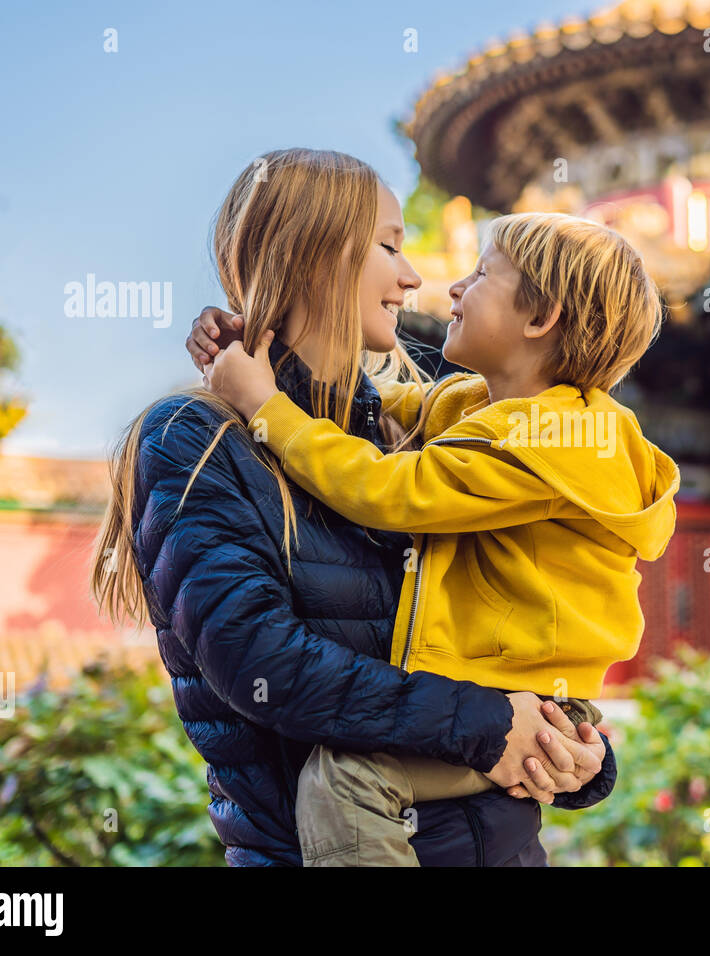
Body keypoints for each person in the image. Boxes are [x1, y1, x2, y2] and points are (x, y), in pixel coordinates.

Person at [92, 148, 614, 867]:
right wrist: (489, 725)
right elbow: (259, 662)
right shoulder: (197, 438)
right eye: (389, 246)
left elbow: (517, 623)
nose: (414, 275)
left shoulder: (417, 435)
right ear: (314, 256)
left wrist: (575, 752)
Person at [197, 211, 679, 865]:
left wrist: (264, 407)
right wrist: (271, 361)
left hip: (528, 700)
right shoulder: (478, 404)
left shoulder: (551, 441)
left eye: (480, 274)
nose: (447, 285)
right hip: (502, 702)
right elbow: (375, 406)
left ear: (539, 319)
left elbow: (390, 490)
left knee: (347, 778)